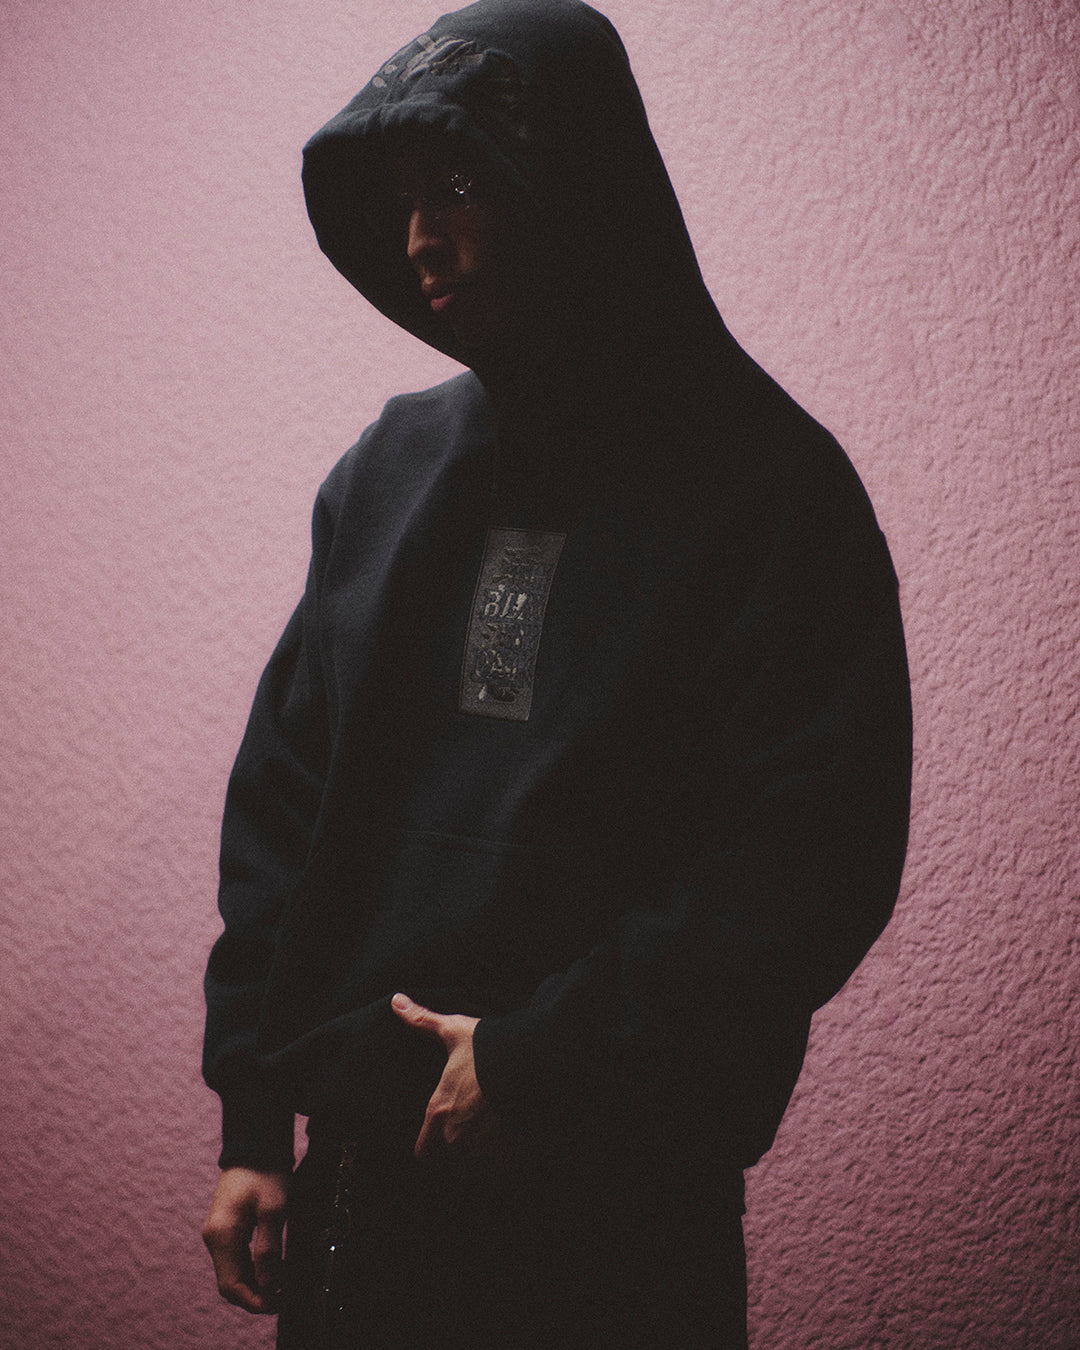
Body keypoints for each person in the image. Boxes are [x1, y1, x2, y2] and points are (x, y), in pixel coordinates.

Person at [201, 2, 912, 1346]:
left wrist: (542, 1056)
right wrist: (251, 1120)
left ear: (579, 183)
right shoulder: (386, 472)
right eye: (400, 200)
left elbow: (813, 853)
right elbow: (285, 802)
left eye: (461, 185)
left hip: (613, 1199)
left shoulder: (769, 488)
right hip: (360, 1189)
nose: (421, 236)